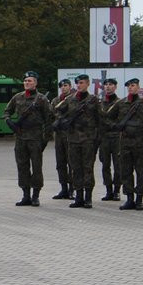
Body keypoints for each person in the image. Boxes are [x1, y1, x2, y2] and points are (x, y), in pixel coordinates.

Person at [4, 71, 53, 206]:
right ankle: (25, 195)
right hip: (20, 137)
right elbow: (7, 111)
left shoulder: (41, 99)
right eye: (25, 81)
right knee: (22, 166)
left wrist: (45, 139)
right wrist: (8, 121)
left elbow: (49, 119)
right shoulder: (17, 97)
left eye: (30, 81)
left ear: (36, 83)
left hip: (36, 137)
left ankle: (35, 195)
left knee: (36, 167)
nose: (27, 83)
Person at [105, 78, 143, 210]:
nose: (131, 88)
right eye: (129, 86)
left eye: (133, 85)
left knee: (140, 172)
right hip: (125, 143)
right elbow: (106, 117)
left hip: (140, 142)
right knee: (126, 172)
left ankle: (139, 199)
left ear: (138, 87)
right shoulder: (121, 104)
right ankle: (129, 198)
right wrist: (116, 126)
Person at [56, 74, 99, 208]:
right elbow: (57, 111)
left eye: (81, 83)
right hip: (73, 139)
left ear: (87, 84)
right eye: (77, 83)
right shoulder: (70, 99)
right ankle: (78, 197)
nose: (79, 85)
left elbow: (100, 119)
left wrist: (97, 139)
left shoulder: (93, 100)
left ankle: (88, 197)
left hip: (88, 139)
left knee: (87, 168)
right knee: (75, 168)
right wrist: (62, 121)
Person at [98, 78, 121, 201]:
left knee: (118, 165)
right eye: (106, 85)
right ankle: (108, 190)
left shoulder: (120, 103)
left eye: (111, 84)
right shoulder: (100, 103)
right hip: (104, 138)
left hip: (116, 137)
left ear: (115, 87)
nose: (108, 87)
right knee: (105, 165)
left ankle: (117, 190)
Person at [50, 79, 72, 199]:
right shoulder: (55, 101)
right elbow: (51, 115)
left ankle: (72, 189)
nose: (63, 88)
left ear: (70, 86)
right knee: (60, 163)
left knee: (71, 163)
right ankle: (63, 188)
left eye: (65, 85)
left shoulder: (73, 100)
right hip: (58, 136)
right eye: (61, 86)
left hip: (70, 135)